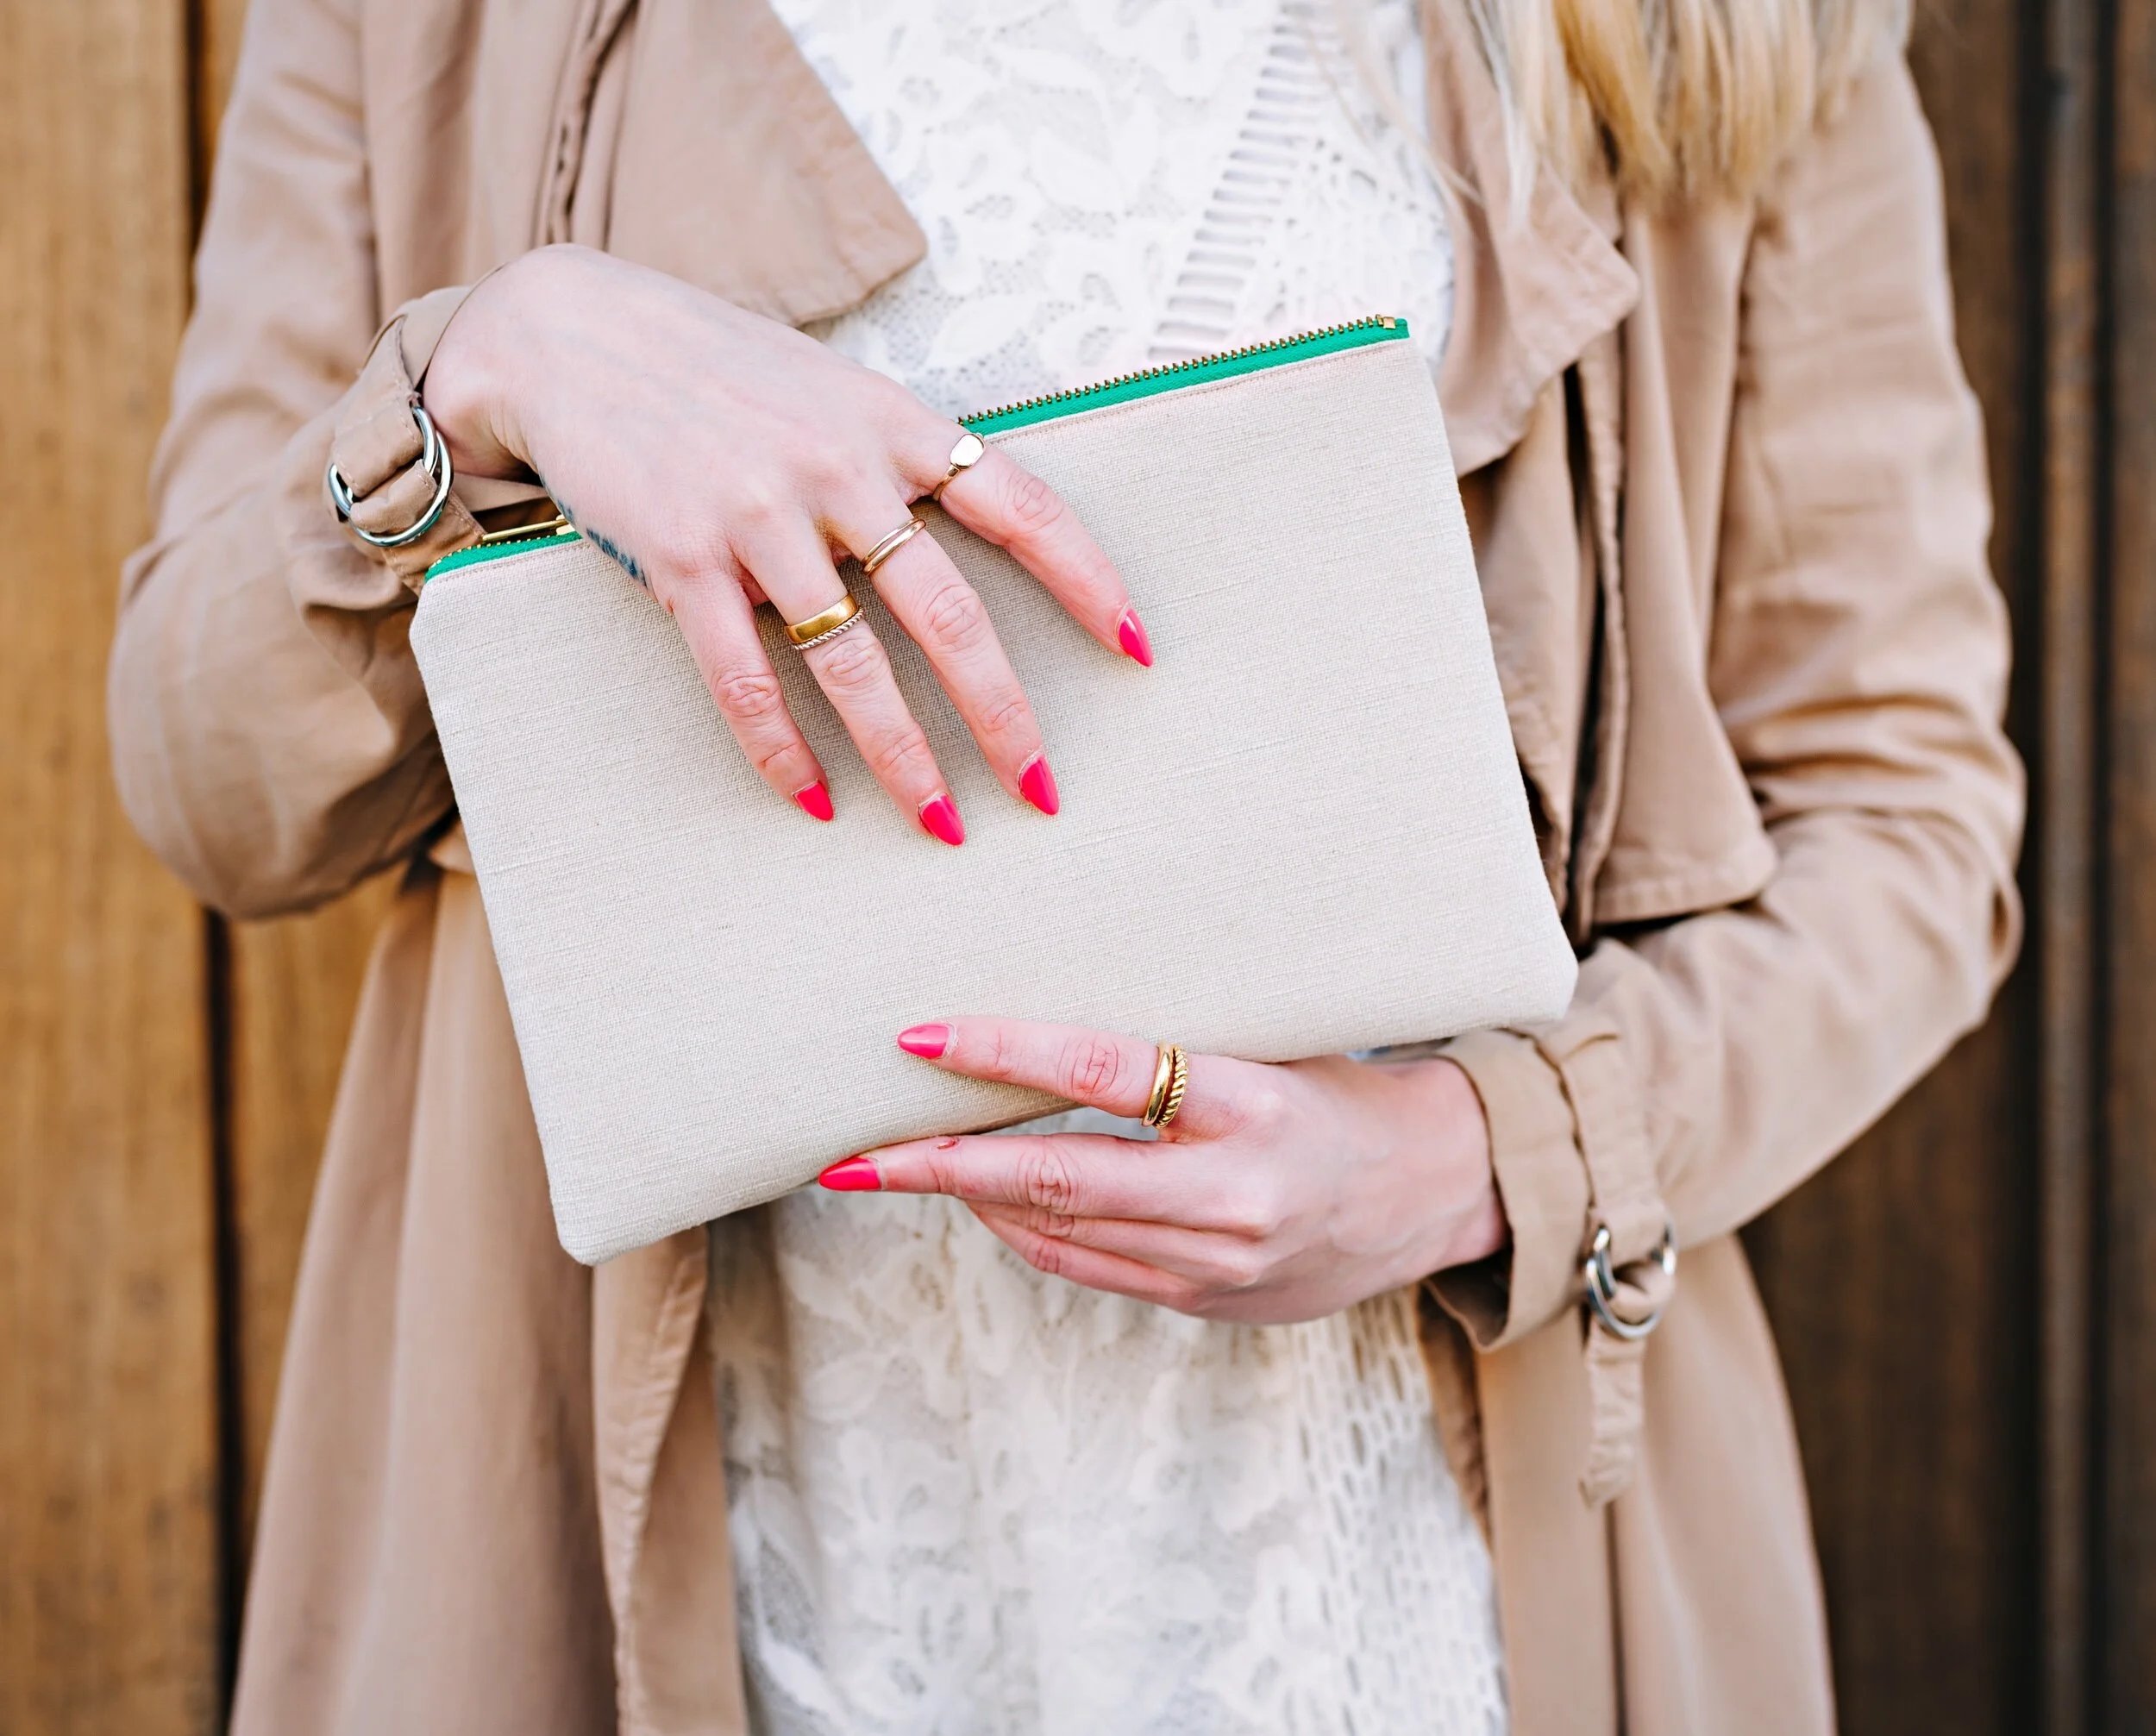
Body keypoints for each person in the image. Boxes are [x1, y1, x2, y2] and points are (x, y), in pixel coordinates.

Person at [108, 0, 2024, 1727]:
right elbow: (212, 782)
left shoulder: (1693, 26)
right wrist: (483, 376)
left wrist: (1470, 1159)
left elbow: (1899, 820)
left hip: (1406, 1525)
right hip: (726, 1525)